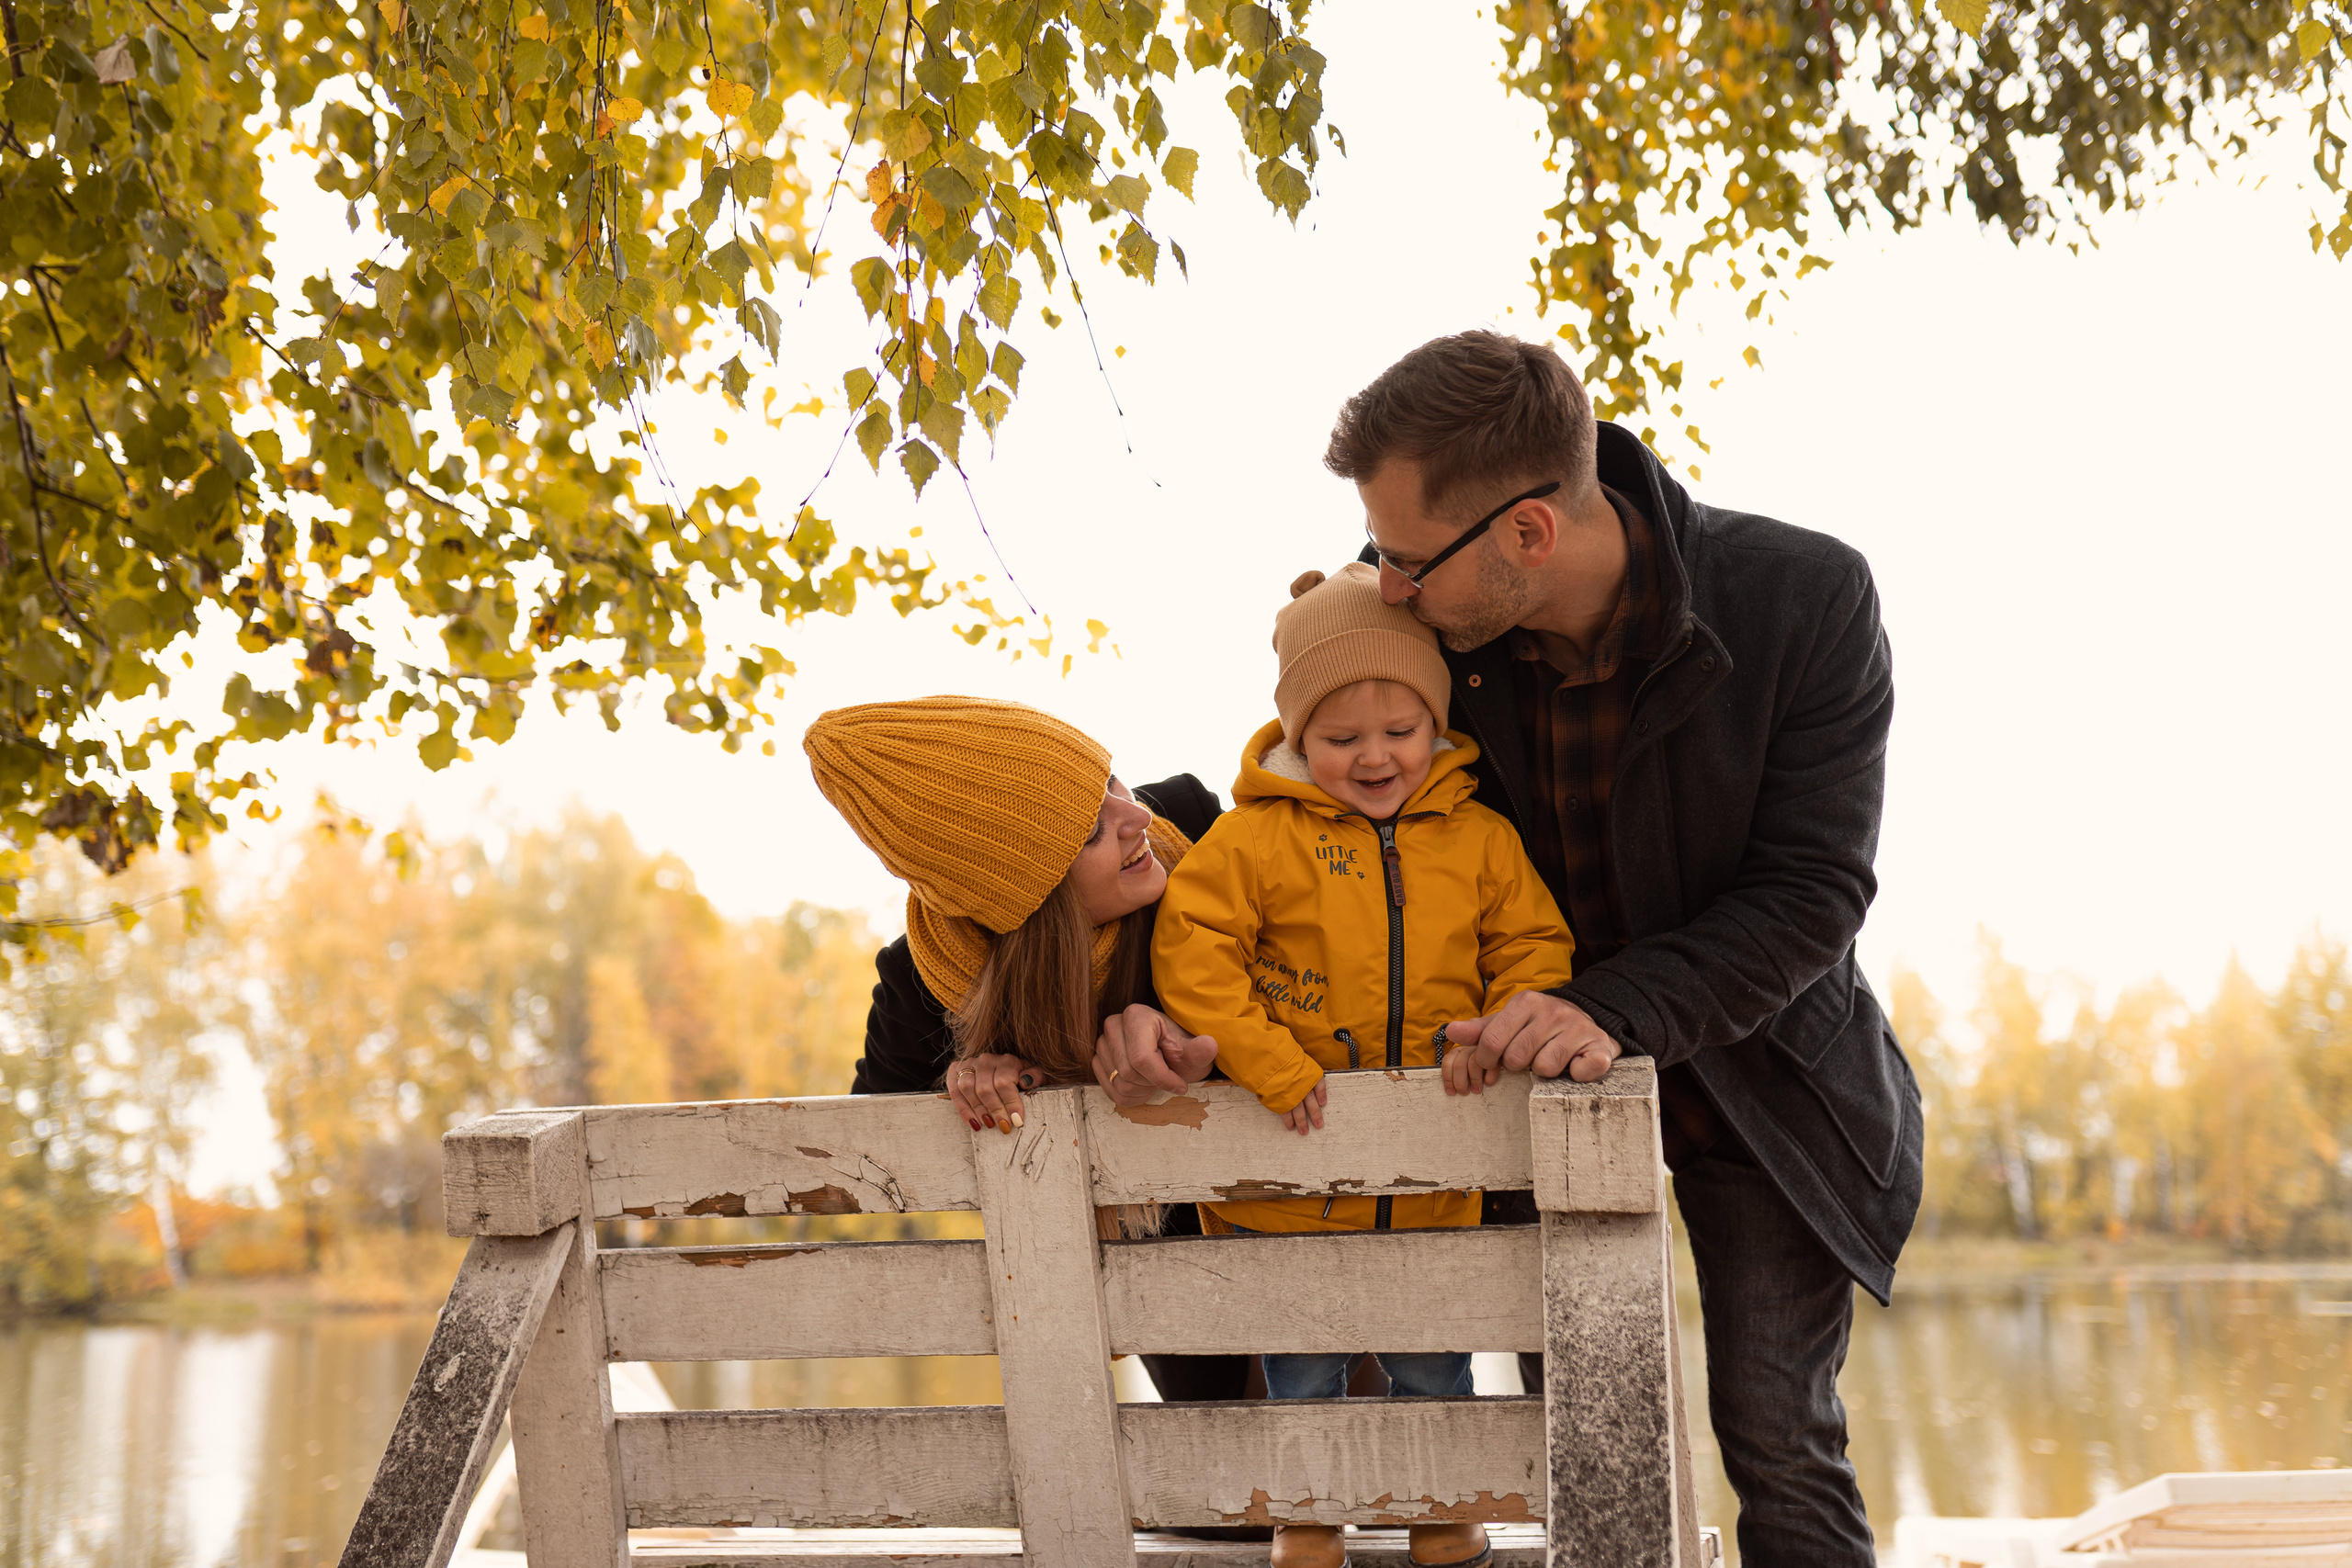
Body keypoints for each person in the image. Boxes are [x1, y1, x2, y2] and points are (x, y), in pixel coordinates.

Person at [1331, 330, 1921, 1567]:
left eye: (1402, 556)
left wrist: (1615, 1002)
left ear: (1528, 535)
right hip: (1529, 1100)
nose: (1382, 582)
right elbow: (1295, 786)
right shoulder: (1424, 618)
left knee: (1778, 1429)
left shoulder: (1808, 598)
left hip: (1771, 1086)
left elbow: (1815, 889)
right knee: (1590, 1447)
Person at [1150, 563, 1576, 1568]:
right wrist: (1269, 1063)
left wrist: (1497, 1033)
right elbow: (1193, 954)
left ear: (1437, 724)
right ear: (1298, 737)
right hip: (1296, 1172)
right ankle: (1308, 1516)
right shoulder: (1254, 840)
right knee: (1303, 1365)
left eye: (1402, 732)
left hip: (1435, 1170)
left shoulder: (1478, 838)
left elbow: (1530, 948)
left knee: (1435, 1355)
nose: (1376, 757)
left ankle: (1441, 1513)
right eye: (1342, 740)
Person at [803, 694, 1249, 1404]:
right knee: (1239, 1510)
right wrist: (968, 1082)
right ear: (1029, 898)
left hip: (1306, 1205)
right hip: (1161, 1269)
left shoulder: (1194, 823)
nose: (1136, 819)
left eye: (1110, 781)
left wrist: (1183, 1018)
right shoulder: (922, 986)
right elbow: (862, 1160)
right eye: (1090, 832)